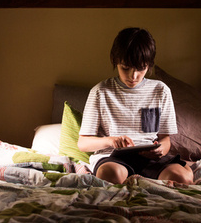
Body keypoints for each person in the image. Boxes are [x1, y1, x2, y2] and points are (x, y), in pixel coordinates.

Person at [77, 27, 193, 184]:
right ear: (115, 60)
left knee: (181, 178)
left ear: (149, 64)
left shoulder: (161, 91)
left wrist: (160, 150)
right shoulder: (100, 92)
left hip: (149, 159)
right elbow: (83, 143)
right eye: (125, 68)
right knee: (110, 175)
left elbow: (165, 140)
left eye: (141, 68)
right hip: (113, 158)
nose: (133, 76)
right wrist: (111, 141)